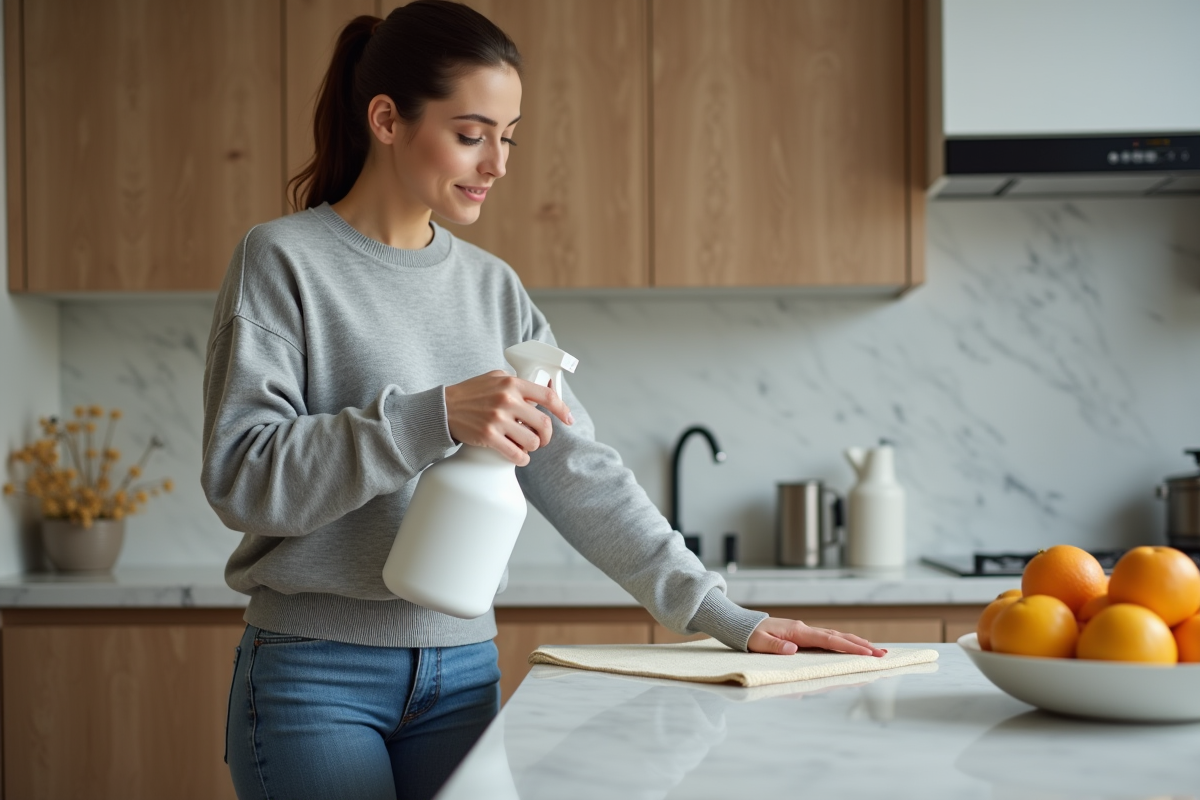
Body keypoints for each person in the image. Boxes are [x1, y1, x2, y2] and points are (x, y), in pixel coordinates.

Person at [201, 3, 885, 799]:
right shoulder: (284, 260)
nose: (496, 163)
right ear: (386, 119)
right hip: (314, 677)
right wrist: (433, 415)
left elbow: (577, 473)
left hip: (463, 675)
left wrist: (723, 615)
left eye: (509, 136)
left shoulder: (495, 290)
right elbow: (241, 478)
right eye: (470, 133)